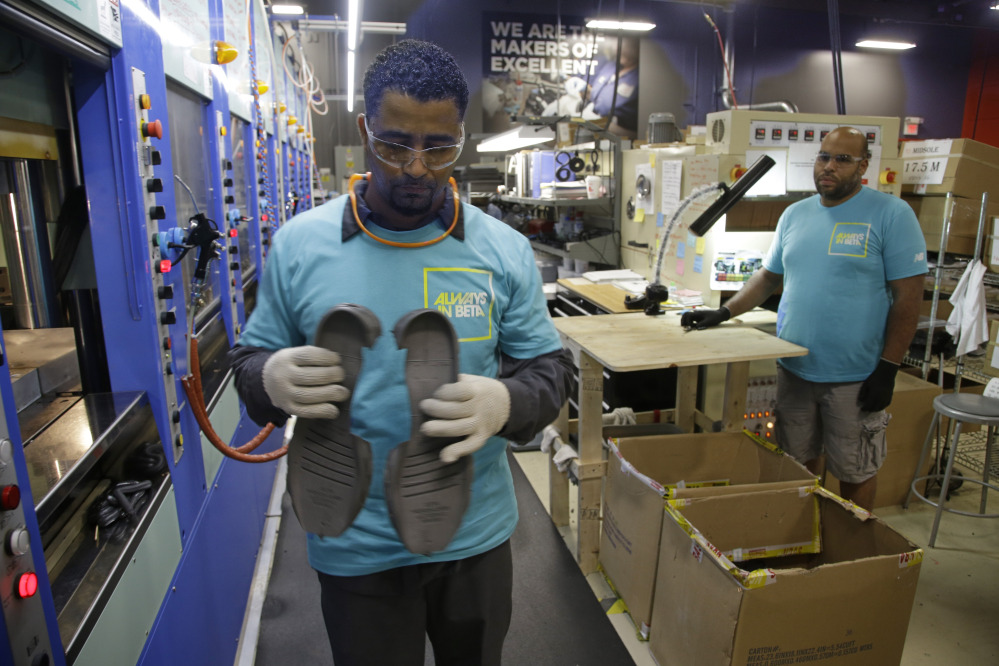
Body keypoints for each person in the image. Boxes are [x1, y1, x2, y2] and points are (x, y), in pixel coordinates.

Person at [228, 40, 573, 665]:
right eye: (394, 145)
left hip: (474, 537)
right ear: (364, 131)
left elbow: (551, 373)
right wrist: (269, 379)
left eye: (439, 148)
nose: (416, 168)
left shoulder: (501, 250)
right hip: (356, 546)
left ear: (460, 137)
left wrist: (505, 401)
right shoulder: (301, 246)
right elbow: (249, 368)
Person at [681, 127, 927, 510]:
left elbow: (909, 299)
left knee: (855, 471)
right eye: (823, 156)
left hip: (855, 377)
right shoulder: (794, 215)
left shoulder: (892, 214)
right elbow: (768, 277)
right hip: (794, 369)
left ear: (863, 165)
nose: (829, 166)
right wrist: (725, 310)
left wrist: (888, 367)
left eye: (842, 159)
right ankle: (803, 541)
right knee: (796, 466)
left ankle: (850, 550)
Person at [583, 35, 639, 139]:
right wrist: (585, 91)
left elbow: (640, 134)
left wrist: (603, 126)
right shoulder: (611, 66)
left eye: (626, 50)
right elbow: (599, 97)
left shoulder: (639, 77)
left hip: (618, 140)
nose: (619, 52)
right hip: (593, 135)